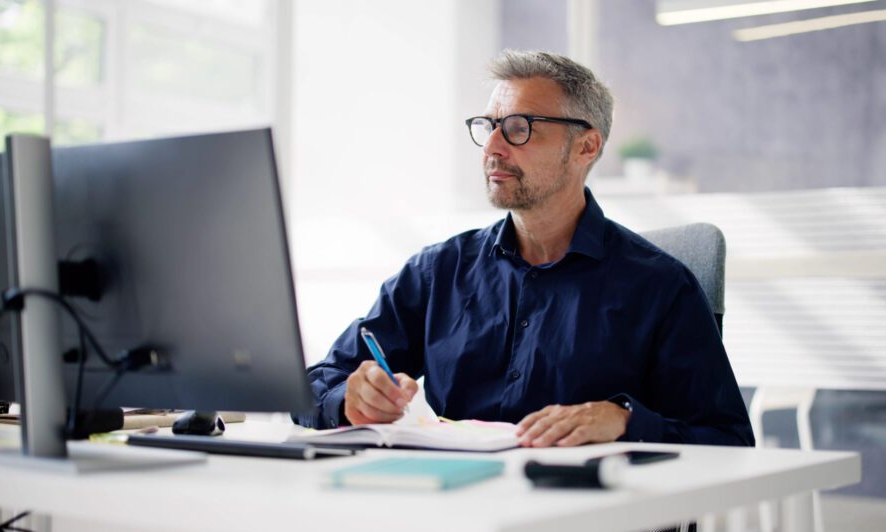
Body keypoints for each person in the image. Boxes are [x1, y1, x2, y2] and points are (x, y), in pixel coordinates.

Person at [295, 50, 754, 448]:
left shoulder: (661, 287)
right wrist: (350, 399)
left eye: (519, 128)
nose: (493, 147)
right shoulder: (437, 272)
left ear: (586, 146)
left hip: (583, 508)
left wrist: (624, 422)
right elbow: (312, 386)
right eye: (488, 126)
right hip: (452, 502)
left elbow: (728, 438)